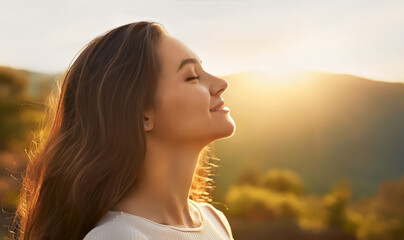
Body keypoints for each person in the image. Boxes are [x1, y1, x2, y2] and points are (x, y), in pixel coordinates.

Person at [7, 21, 236, 240]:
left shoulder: (214, 220)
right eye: (192, 76)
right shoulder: (119, 236)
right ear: (143, 115)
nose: (221, 83)